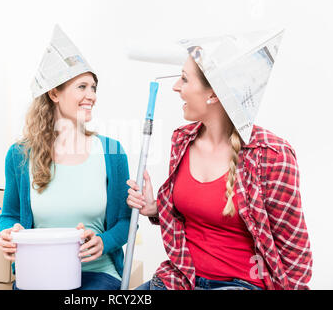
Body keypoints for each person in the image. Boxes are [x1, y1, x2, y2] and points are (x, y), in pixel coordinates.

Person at [127, 31, 312, 290]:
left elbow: (295, 252)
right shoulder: (182, 141)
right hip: (181, 279)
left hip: (241, 284)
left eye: (184, 79)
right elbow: (196, 213)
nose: (175, 87)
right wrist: (156, 208)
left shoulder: (272, 155)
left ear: (213, 94)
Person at [0, 25, 131, 290]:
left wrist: (104, 241)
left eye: (93, 87)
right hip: (37, 273)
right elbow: (10, 214)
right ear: (54, 93)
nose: (91, 96)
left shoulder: (111, 153)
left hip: (97, 274)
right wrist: (8, 232)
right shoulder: (20, 155)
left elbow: (127, 222)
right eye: (82, 87)